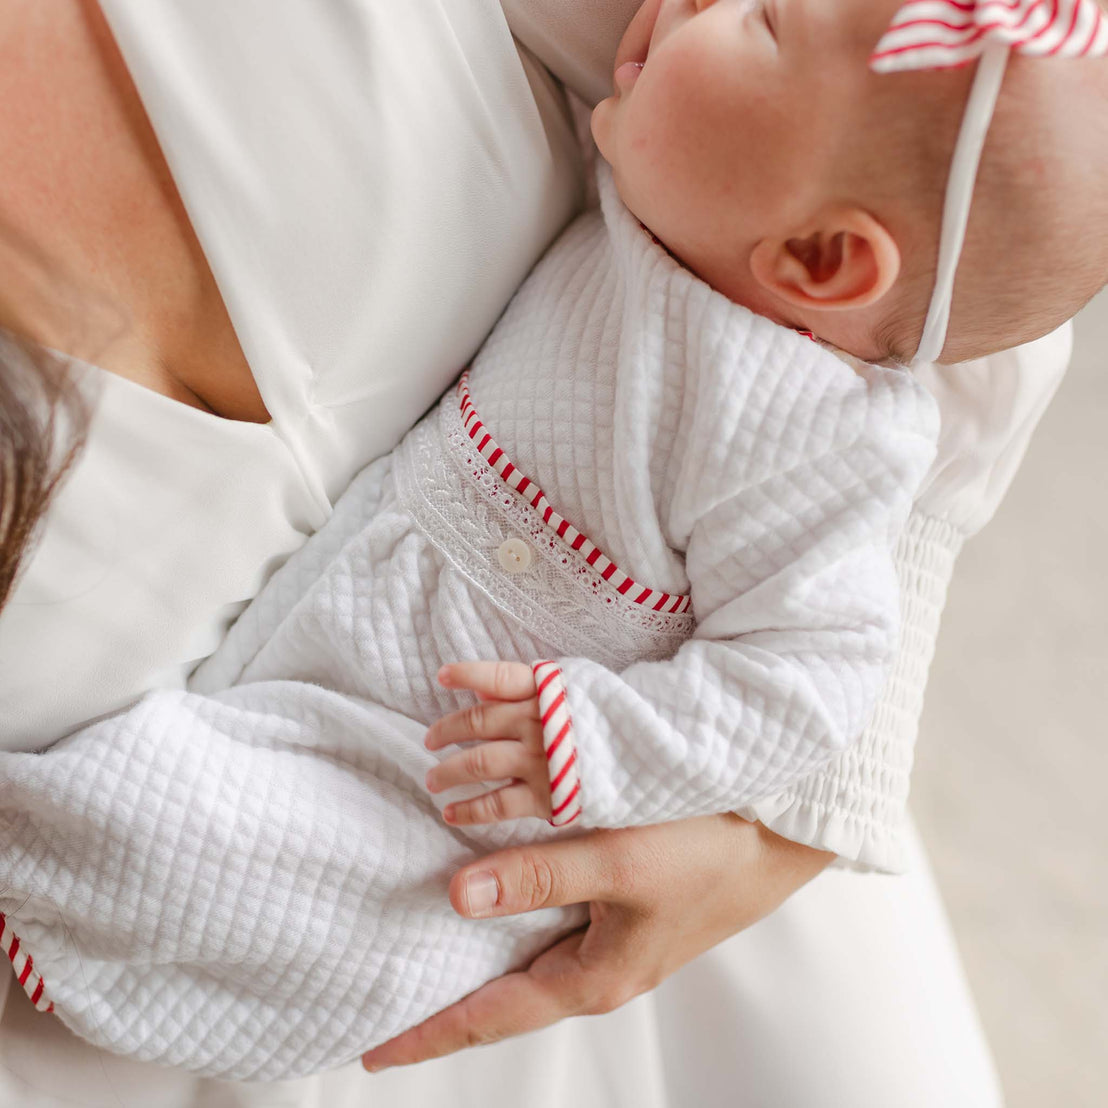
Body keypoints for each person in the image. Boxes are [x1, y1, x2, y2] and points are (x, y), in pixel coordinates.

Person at [0, 1, 1080, 1104]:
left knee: (302, 879)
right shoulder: (689, 191)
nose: (700, 3)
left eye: (750, 16)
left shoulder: (813, 411)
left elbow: (827, 651)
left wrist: (693, 793)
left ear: (815, 256)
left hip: (526, 778)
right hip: (378, 672)